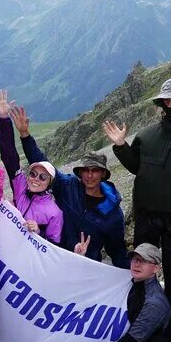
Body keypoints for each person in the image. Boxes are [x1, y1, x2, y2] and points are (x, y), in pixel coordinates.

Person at [103, 78, 171, 314]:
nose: (170, 104)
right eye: (166, 99)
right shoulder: (148, 133)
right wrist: (121, 145)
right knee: (142, 263)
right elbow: (136, 166)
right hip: (146, 214)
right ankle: (140, 308)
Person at [14, 106, 130, 267]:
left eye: (95, 171)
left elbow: (117, 251)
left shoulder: (113, 213)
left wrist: (129, 279)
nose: (89, 175)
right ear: (80, 173)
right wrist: (25, 135)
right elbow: (44, 164)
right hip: (51, 259)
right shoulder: (68, 186)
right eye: (85, 170)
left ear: (103, 174)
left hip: (84, 268)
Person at [80, 243, 171, 342]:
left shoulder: (154, 303)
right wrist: (80, 258)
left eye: (143, 261)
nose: (137, 264)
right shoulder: (133, 281)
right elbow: (99, 282)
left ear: (156, 268)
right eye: (135, 259)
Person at [0, 90, 63, 245]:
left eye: (42, 177)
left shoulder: (55, 213)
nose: (35, 179)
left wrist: (39, 231)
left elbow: (54, 247)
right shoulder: (20, 186)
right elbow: (9, 155)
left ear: (49, 183)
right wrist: (4, 119)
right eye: (33, 174)